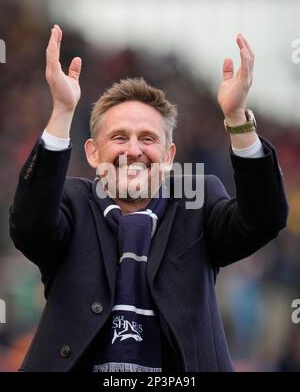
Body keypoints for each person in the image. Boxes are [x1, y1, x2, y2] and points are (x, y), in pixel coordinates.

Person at [9, 25, 288, 372]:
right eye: (119, 137)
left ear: (169, 156)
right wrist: (62, 112)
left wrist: (237, 120)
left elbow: (265, 219)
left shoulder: (198, 202)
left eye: (147, 138)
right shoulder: (70, 202)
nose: (134, 150)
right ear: (93, 153)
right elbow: (29, 226)